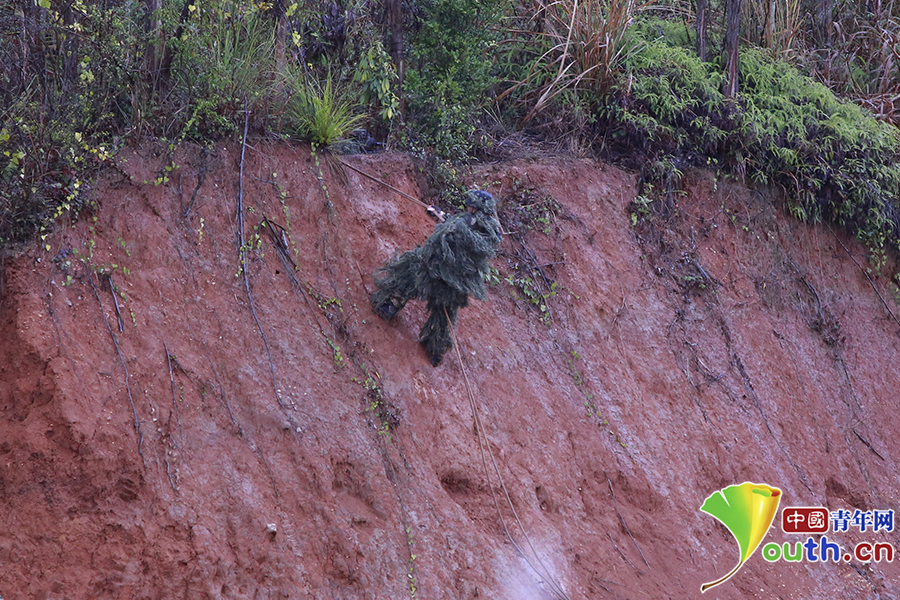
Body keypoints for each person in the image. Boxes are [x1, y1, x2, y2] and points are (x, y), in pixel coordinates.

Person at [372, 190, 502, 366]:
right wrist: (439, 213)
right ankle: (436, 351)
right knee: (444, 313)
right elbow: (456, 225)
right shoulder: (490, 230)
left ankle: (390, 307)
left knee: (409, 275)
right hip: (458, 283)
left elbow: (454, 227)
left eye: (471, 204)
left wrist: (441, 217)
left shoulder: (467, 221)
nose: (468, 206)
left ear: (476, 207)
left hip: (437, 268)